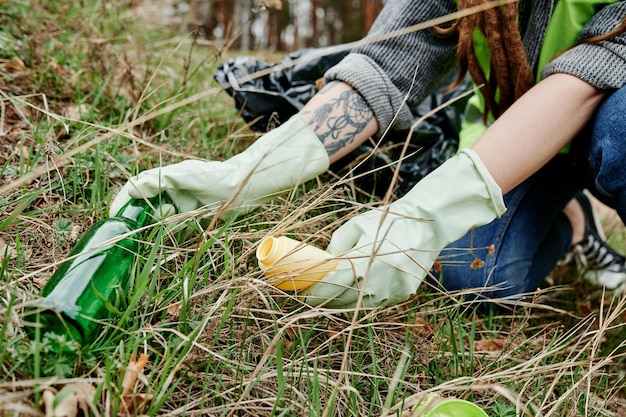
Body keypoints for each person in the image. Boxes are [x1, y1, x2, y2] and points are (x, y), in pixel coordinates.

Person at [111, 1, 626, 308]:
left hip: (608, 111)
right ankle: (575, 222)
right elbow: (388, 63)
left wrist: (424, 214)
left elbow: (600, 67)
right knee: (472, 275)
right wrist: (245, 174)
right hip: (519, 137)